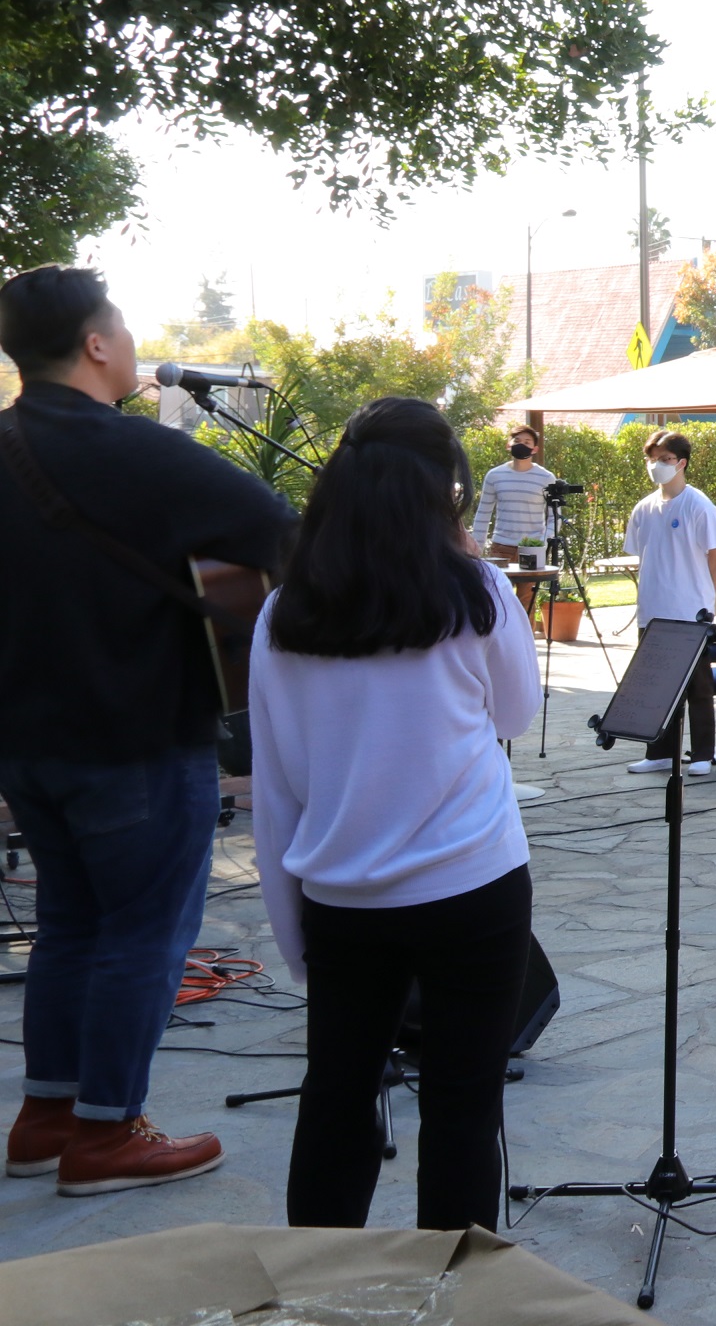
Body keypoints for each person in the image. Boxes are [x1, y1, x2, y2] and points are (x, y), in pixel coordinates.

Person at [0, 266, 294, 1195]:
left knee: (68, 925)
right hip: (136, 741)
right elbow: (276, 528)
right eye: (122, 329)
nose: (132, 345)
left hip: (25, 746)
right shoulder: (138, 451)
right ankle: (108, 1134)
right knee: (142, 931)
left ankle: (46, 1119)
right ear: (95, 344)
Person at [246, 397, 540, 1232]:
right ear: (444, 490)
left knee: (335, 1098)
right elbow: (517, 714)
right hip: (474, 883)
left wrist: (292, 935)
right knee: (463, 1105)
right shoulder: (476, 589)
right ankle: (455, 1284)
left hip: (343, 897)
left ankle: (319, 1283)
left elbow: (278, 788)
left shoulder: (285, 610)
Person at [621, 430, 716, 777]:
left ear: (681, 463)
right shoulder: (643, 508)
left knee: (698, 686)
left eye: (665, 459)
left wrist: (703, 598)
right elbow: (641, 553)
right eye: (653, 459)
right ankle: (659, 752)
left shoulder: (698, 505)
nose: (658, 465)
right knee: (653, 685)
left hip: (689, 612)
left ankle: (702, 754)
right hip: (652, 610)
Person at [469, 424, 554, 555]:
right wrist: (476, 550)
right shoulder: (494, 475)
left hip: (533, 548)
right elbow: (483, 513)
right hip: (501, 547)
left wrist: (544, 542)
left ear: (534, 449)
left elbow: (554, 516)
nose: (521, 445)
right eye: (517, 441)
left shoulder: (546, 478)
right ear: (508, 445)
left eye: (527, 442)